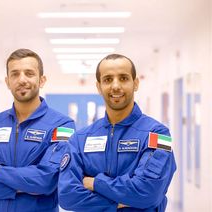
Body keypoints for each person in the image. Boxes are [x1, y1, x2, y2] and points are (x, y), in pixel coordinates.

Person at [58, 54, 176, 211]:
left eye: (123, 78)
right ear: (99, 87)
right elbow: (68, 196)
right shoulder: (80, 139)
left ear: (135, 83)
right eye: (107, 79)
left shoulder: (157, 134)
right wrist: (117, 204)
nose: (115, 86)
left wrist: (95, 183)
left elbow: (148, 193)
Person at [0, 48, 75, 212]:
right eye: (15, 74)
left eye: (29, 73)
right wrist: (21, 188)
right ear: (8, 82)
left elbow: (47, 180)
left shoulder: (62, 125)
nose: (22, 79)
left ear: (42, 80)